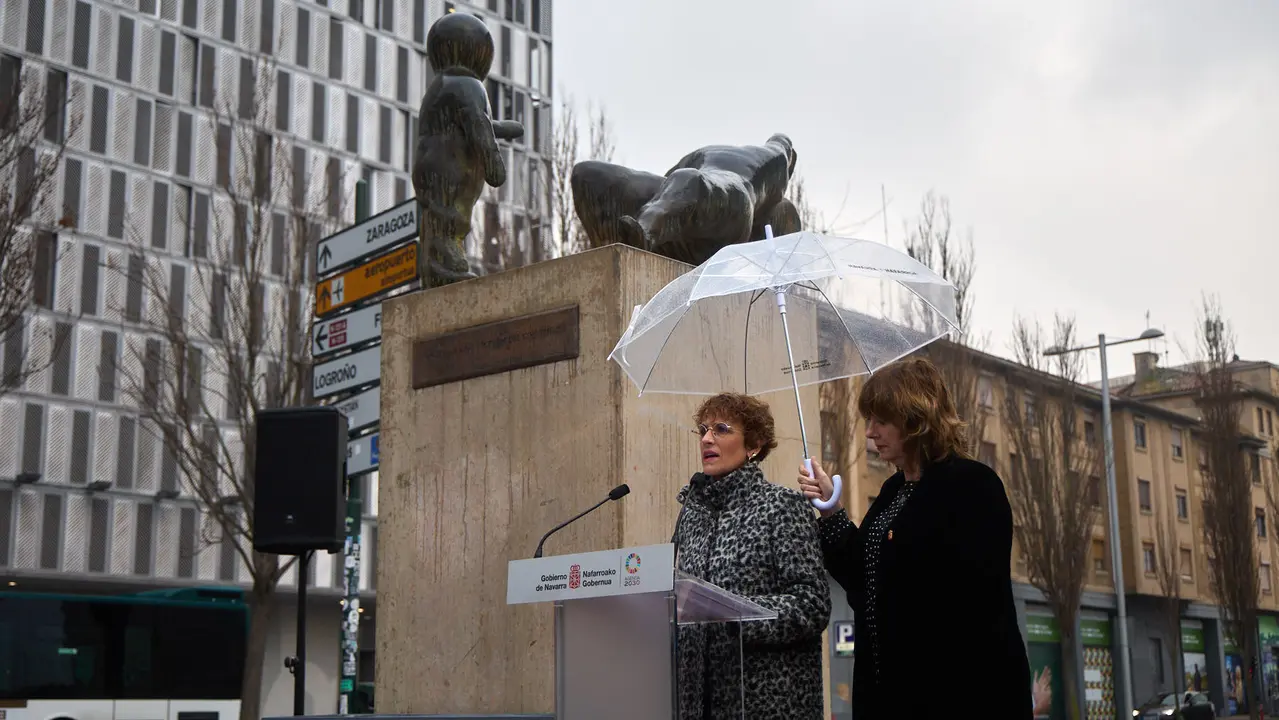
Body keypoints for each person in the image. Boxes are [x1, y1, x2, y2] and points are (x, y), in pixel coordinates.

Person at [797, 357, 1032, 719]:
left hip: (954, 698)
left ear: (916, 420)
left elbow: (972, 607)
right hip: (885, 697)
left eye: (881, 421)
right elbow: (862, 574)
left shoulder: (972, 486)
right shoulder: (893, 491)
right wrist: (831, 511)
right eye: (868, 420)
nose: (870, 432)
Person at [673, 392, 830, 720]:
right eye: (703, 429)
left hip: (764, 704)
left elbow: (812, 605)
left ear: (754, 445)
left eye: (721, 429)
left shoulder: (782, 506)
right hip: (697, 704)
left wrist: (738, 615)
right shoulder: (692, 514)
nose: (706, 439)